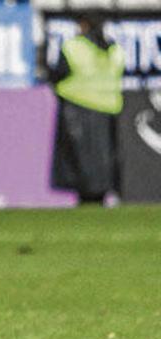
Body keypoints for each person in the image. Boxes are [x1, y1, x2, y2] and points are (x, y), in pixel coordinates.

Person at [50, 12, 124, 205]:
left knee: (80, 160)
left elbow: (59, 73)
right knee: (103, 158)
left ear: (84, 25)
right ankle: (101, 196)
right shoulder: (114, 50)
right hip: (109, 108)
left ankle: (86, 198)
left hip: (77, 106)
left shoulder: (74, 46)